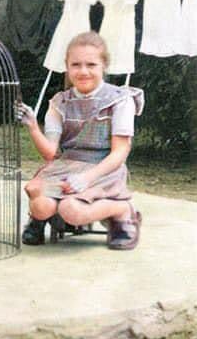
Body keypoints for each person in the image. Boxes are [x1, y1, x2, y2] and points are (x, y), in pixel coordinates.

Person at [16, 31, 144, 250]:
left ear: (104, 66)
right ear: (67, 66)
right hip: (66, 166)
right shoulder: (59, 102)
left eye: (91, 65)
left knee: (71, 210)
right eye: (76, 65)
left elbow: (120, 152)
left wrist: (86, 178)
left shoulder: (120, 100)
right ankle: (42, 216)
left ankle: (122, 210)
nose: (83, 71)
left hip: (103, 169)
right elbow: (50, 153)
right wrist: (33, 127)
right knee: (40, 205)